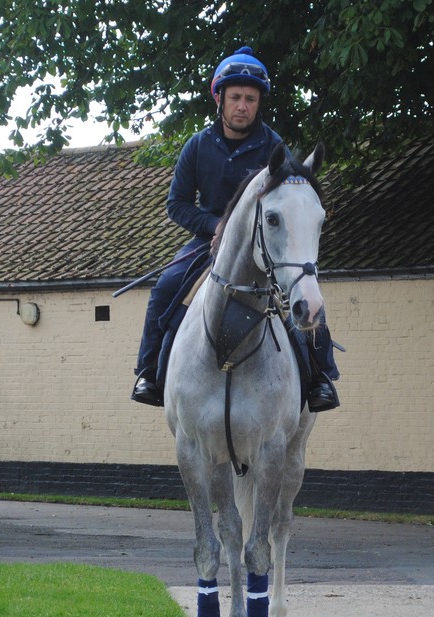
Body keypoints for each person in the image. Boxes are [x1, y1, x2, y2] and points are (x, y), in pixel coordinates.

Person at [131, 46, 340, 412]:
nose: (242, 105)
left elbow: (289, 203)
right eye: (235, 98)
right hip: (207, 241)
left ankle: (320, 378)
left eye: (250, 98)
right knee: (165, 288)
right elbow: (176, 204)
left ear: (259, 103)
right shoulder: (196, 146)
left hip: (263, 246)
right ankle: (149, 372)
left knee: (303, 292)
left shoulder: (274, 147)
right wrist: (216, 226)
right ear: (219, 98)